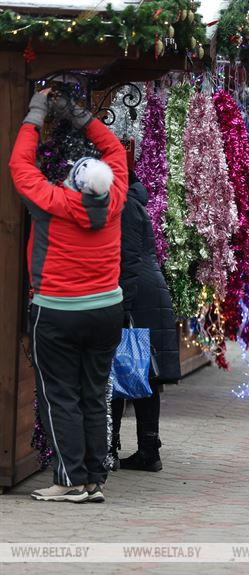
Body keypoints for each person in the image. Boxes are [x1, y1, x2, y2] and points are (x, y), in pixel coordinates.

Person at [10, 89, 128, 502]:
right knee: (94, 394)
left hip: (57, 312)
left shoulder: (52, 203)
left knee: (60, 396)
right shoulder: (115, 199)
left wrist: (37, 113)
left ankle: (70, 480)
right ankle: (94, 478)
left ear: (73, 182)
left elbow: (19, 165)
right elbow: (114, 149)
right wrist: (79, 116)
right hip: (107, 310)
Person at [110, 170, 181, 473]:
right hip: (148, 290)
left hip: (137, 293)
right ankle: (148, 450)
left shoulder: (124, 205)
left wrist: (121, 306)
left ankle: (110, 448)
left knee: (119, 368)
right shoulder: (135, 201)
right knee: (143, 374)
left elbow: (126, 257)